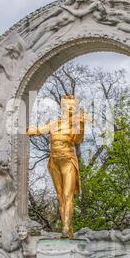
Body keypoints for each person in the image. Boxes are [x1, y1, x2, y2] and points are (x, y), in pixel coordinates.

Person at [27, 94, 86, 238]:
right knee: (60, 197)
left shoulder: (75, 124)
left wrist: (82, 125)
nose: (70, 109)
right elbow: (38, 131)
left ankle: (66, 227)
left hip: (68, 161)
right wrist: (27, 129)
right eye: (67, 106)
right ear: (62, 107)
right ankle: (66, 229)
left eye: (73, 107)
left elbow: (77, 140)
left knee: (68, 195)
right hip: (54, 162)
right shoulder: (54, 123)